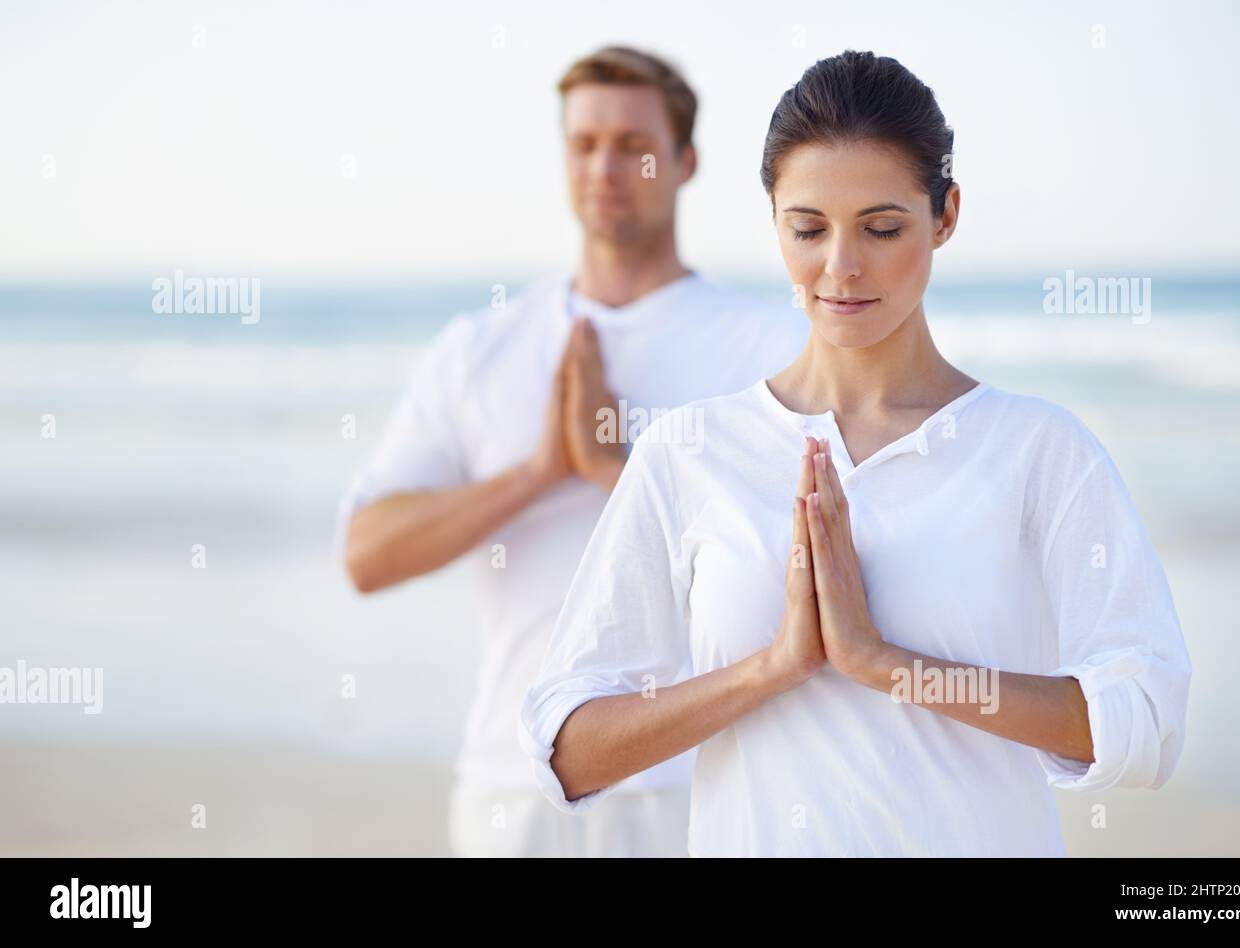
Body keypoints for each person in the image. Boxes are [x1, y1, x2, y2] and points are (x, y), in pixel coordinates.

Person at [519, 49, 1193, 857]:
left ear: (944, 216)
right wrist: (772, 668)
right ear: (774, 221)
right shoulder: (690, 453)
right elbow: (569, 748)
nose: (839, 268)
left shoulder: (1038, 451)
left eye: (882, 228)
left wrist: (892, 666)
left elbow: (1145, 723)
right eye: (808, 229)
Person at [336, 46, 805, 857]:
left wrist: (609, 471)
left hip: (703, 786)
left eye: (633, 144)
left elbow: (798, 574)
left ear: (685, 161)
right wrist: (538, 470)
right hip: (511, 790)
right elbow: (367, 556)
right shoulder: (481, 348)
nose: (606, 166)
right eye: (584, 144)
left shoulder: (766, 347)